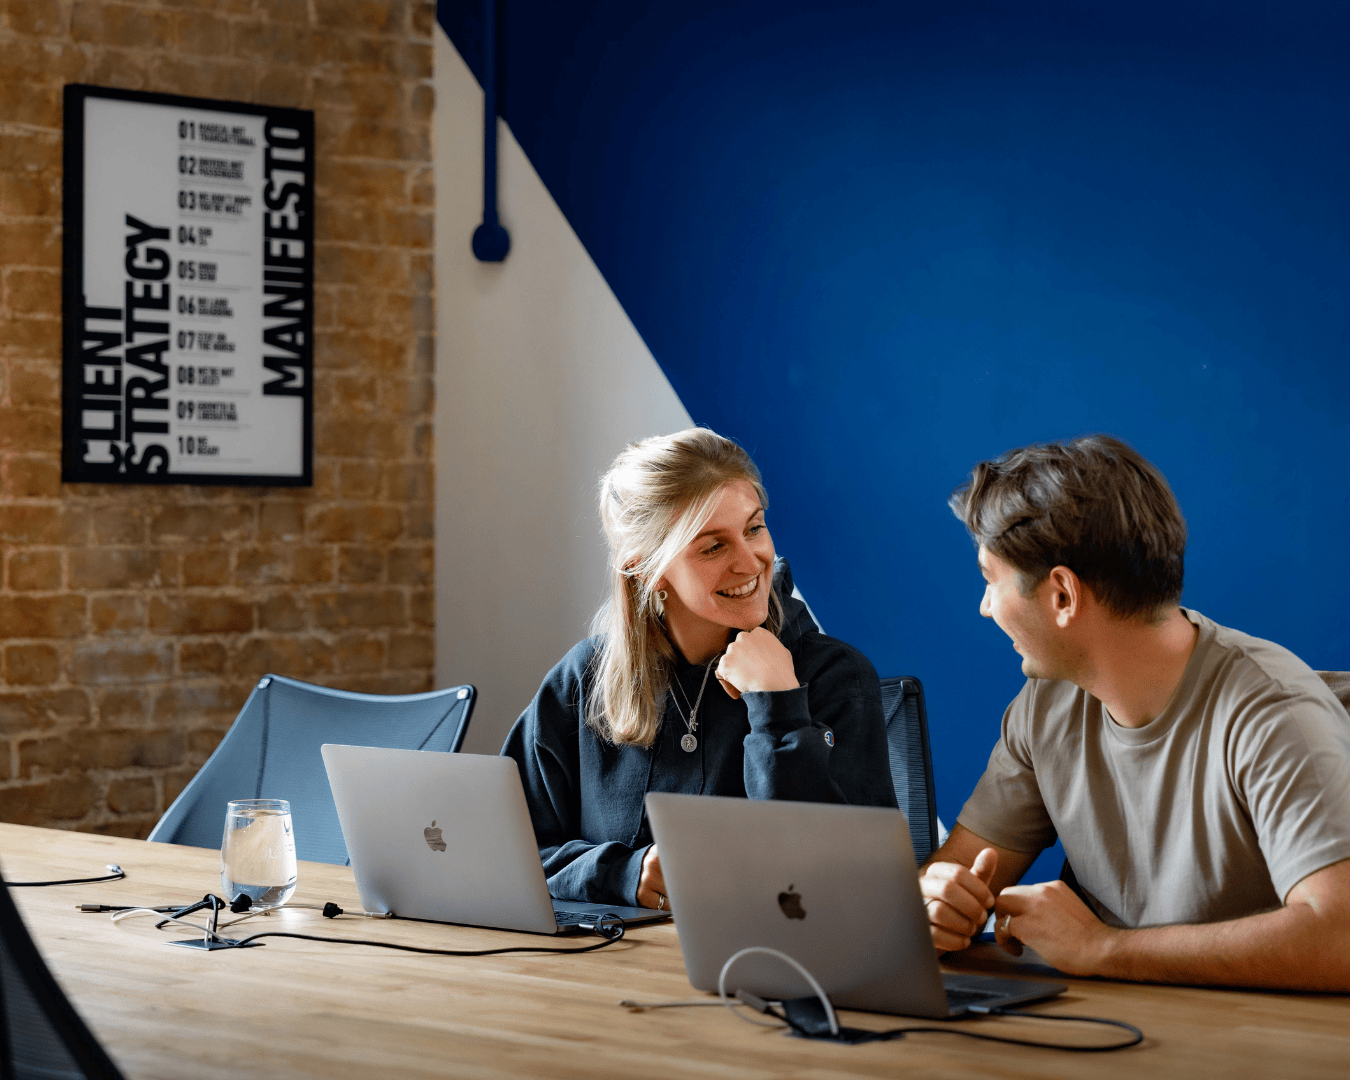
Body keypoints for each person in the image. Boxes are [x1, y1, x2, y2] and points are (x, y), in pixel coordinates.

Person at [920, 435, 1350, 990]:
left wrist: (1104, 949)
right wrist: (936, 905)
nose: (984, 607)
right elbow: (955, 873)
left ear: (1063, 597)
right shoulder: (1045, 706)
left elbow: (1339, 937)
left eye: (988, 579)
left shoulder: (1273, 711)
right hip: (1113, 1025)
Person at [502, 428, 897, 909]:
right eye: (712, 547)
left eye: (754, 528)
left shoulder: (837, 676)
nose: (750, 561)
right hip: (601, 972)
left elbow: (846, 884)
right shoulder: (583, 678)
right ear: (648, 570)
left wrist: (779, 709)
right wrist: (620, 873)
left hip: (768, 974)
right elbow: (505, 851)